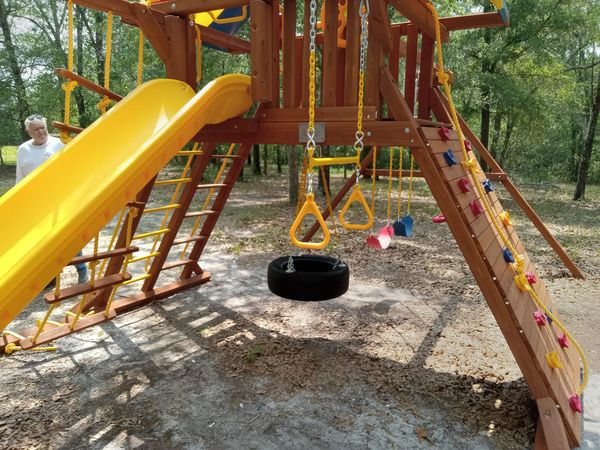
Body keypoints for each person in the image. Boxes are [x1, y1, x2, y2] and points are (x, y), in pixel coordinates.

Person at [16, 114, 89, 286]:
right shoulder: (23, 149)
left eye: (43, 127)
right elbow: (20, 178)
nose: (41, 131)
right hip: (36, 203)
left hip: (60, 200)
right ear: (29, 132)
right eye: (36, 129)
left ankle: (82, 270)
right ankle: (50, 277)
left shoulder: (59, 143)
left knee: (68, 235)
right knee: (42, 240)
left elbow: (74, 168)